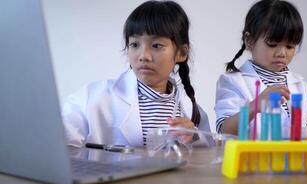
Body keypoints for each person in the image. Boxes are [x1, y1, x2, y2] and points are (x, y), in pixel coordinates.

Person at [62, 0, 212, 147]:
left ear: (181, 53)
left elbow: (208, 152)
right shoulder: (92, 98)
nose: (143, 56)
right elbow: (61, 143)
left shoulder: (190, 109)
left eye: (156, 45)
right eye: (134, 44)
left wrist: (194, 138)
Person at [215, 0, 307, 138]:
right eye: (272, 44)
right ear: (249, 41)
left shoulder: (300, 84)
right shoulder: (232, 82)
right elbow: (224, 130)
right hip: (251, 159)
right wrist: (255, 105)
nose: (282, 53)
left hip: (293, 159)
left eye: (290, 46)